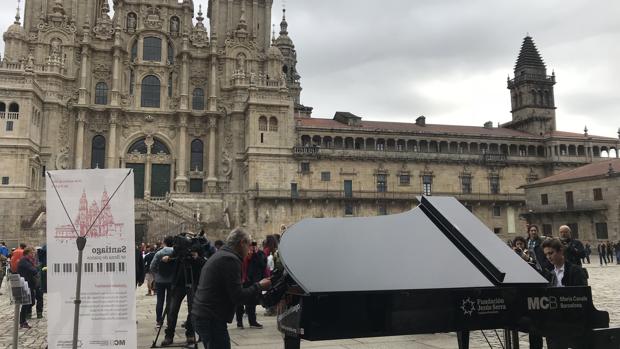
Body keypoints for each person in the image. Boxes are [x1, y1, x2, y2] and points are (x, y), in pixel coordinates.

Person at [191, 228, 271, 349]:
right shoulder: (230, 259)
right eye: (249, 245)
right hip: (211, 317)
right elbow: (238, 296)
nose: (250, 249)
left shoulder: (222, 254)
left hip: (205, 314)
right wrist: (259, 286)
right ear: (242, 242)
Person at [542, 238, 587, 349]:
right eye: (546, 254)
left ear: (561, 251)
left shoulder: (576, 271)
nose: (548, 257)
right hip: (555, 323)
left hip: (573, 321)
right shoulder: (548, 274)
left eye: (551, 253)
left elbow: (582, 297)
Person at [161, 242, 206, 346]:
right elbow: (170, 260)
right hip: (178, 283)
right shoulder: (179, 250)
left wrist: (196, 258)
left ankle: (190, 333)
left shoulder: (198, 247)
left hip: (193, 283)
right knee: (172, 310)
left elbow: (203, 262)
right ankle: (169, 336)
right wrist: (167, 259)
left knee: (192, 310)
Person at [150, 236, 175, 327]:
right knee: (170, 301)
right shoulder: (175, 253)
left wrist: (157, 274)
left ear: (164, 242)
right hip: (172, 280)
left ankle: (159, 321)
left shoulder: (159, 253)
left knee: (160, 300)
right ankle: (169, 320)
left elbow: (152, 266)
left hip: (160, 280)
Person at [17, 247, 43, 327]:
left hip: (29, 284)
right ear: (27, 253)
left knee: (29, 302)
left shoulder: (28, 260)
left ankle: (23, 321)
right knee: (27, 303)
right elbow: (33, 270)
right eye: (32, 252)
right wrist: (37, 268)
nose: (34, 254)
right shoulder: (24, 260)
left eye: (34, 252)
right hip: (25, 284)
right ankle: (22, 321)